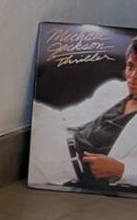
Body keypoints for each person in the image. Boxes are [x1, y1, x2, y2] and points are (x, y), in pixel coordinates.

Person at [29, 37, 137, 191]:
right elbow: (68, 116)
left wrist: (121, 170)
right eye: (130, 66)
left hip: (67, 165)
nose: (132, 76)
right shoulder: (115, 89)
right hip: (55, 135)